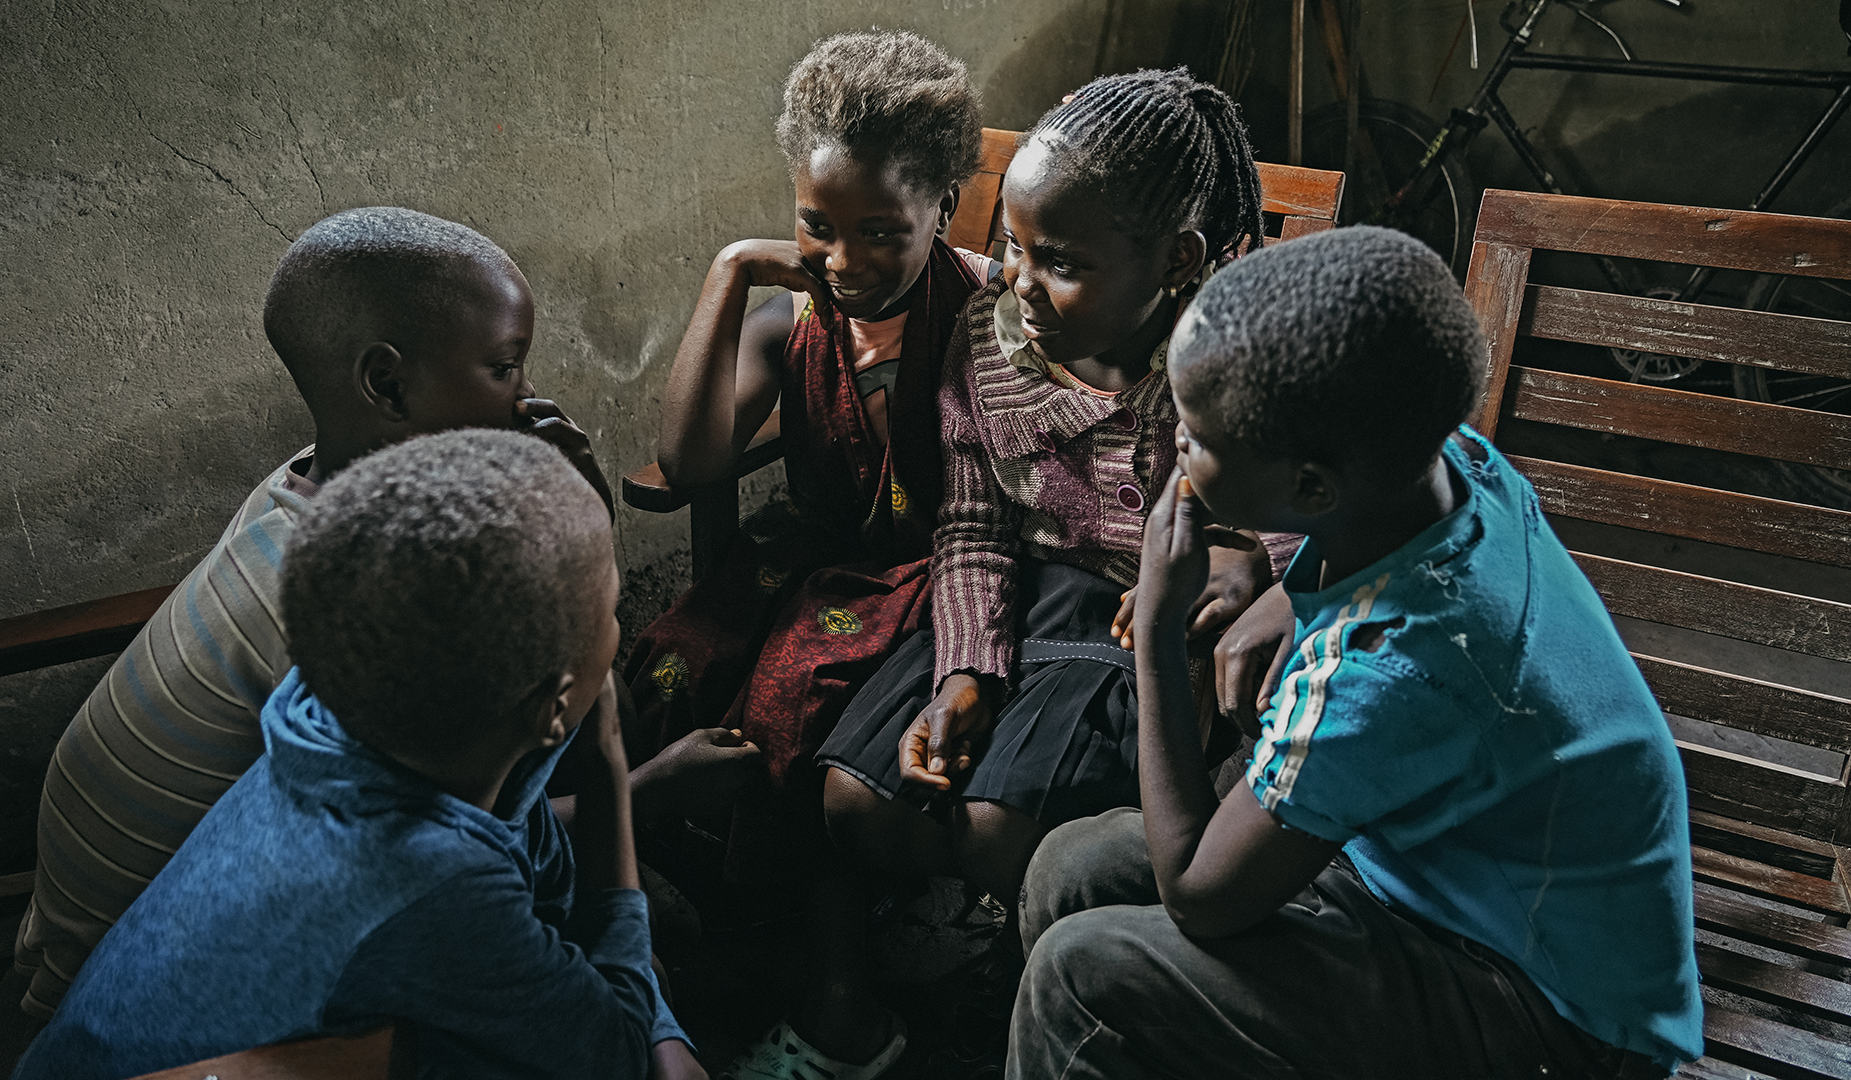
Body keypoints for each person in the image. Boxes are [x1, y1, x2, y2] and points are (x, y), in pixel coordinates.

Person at [1008, 227, 1703, 1079]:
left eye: (1194, 434)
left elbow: (1199, 895)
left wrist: (1156, 626)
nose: (1178, 447)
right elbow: (1364, 564)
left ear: (1309, 488)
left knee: (1078, 979)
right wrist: (1285, 592)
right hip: (1443, 872)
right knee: (1070, 868)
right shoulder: (1456, 465)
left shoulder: (1393, 665)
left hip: (1547, 1009)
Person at [10, 207, 736, 1020]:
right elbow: (439, 849)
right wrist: (650, 792)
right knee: (636, 1002)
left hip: (83, 926)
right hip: (173, 986)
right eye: (504, 368)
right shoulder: (363, 620)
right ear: (386, 384)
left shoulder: (312, 495)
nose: (529, 395)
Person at [811, 69, 1299, 1076]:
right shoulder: (989, 343)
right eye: (1011, 250)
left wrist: (1251, 567)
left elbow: (1301, 542)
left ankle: (1034, 1008)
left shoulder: (1239, 370)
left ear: (1177, 262)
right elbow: (973, 521)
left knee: (1001, 831)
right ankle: (878, 1005)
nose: (1019, 282)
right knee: (856, 803)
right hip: (1018, 601)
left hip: (1147, 622)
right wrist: (965, 674)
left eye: (1060, 261)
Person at [14, 430, 701, 1080]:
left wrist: (656, 1019)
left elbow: (537, 871)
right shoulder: (435, 879)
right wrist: (608, 759)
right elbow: (608, 1053)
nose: (620, 627)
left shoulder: (345, 705)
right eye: (613, 611)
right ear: (554, 707)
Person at [621, 31, 994, 843]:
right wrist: (729, 272)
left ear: (944, 209)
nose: (843, 260)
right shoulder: (794, 317)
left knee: (791, 698)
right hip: (815, 550)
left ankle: (784, 909)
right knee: (668, 663)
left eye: (883, 232)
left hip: (945, 568)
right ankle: (667, 865)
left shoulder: (991, 311)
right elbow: (690, 461)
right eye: (816, 224)